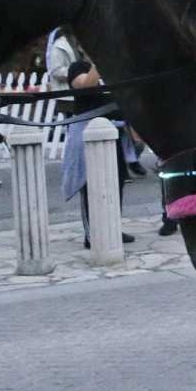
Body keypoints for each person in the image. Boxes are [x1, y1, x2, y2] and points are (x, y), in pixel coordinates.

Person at [61, 59, 134, 250]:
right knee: (90, 183)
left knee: (116, 181)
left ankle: (113, 227)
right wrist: (97, 62)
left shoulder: (113, 69)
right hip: (89, 132)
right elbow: (86, 85)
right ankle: (92, 232)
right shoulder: (79, 67)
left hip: (113, 131)